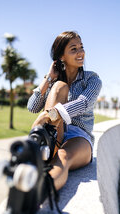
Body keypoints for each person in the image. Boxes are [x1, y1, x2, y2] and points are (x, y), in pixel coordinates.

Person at [27, 31, 102, 192]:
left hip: (79, 136)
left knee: (62, 156)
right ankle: (39, 146)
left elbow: (84, 103)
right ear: (61, 56)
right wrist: (48, 78)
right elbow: (32, 107)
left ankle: (37, 192)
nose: (81, 52)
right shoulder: (54, 82)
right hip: (54, 132)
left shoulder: (92, 79)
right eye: (73, 49)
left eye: (81, 47)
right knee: (60, 86)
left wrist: (48, 115)